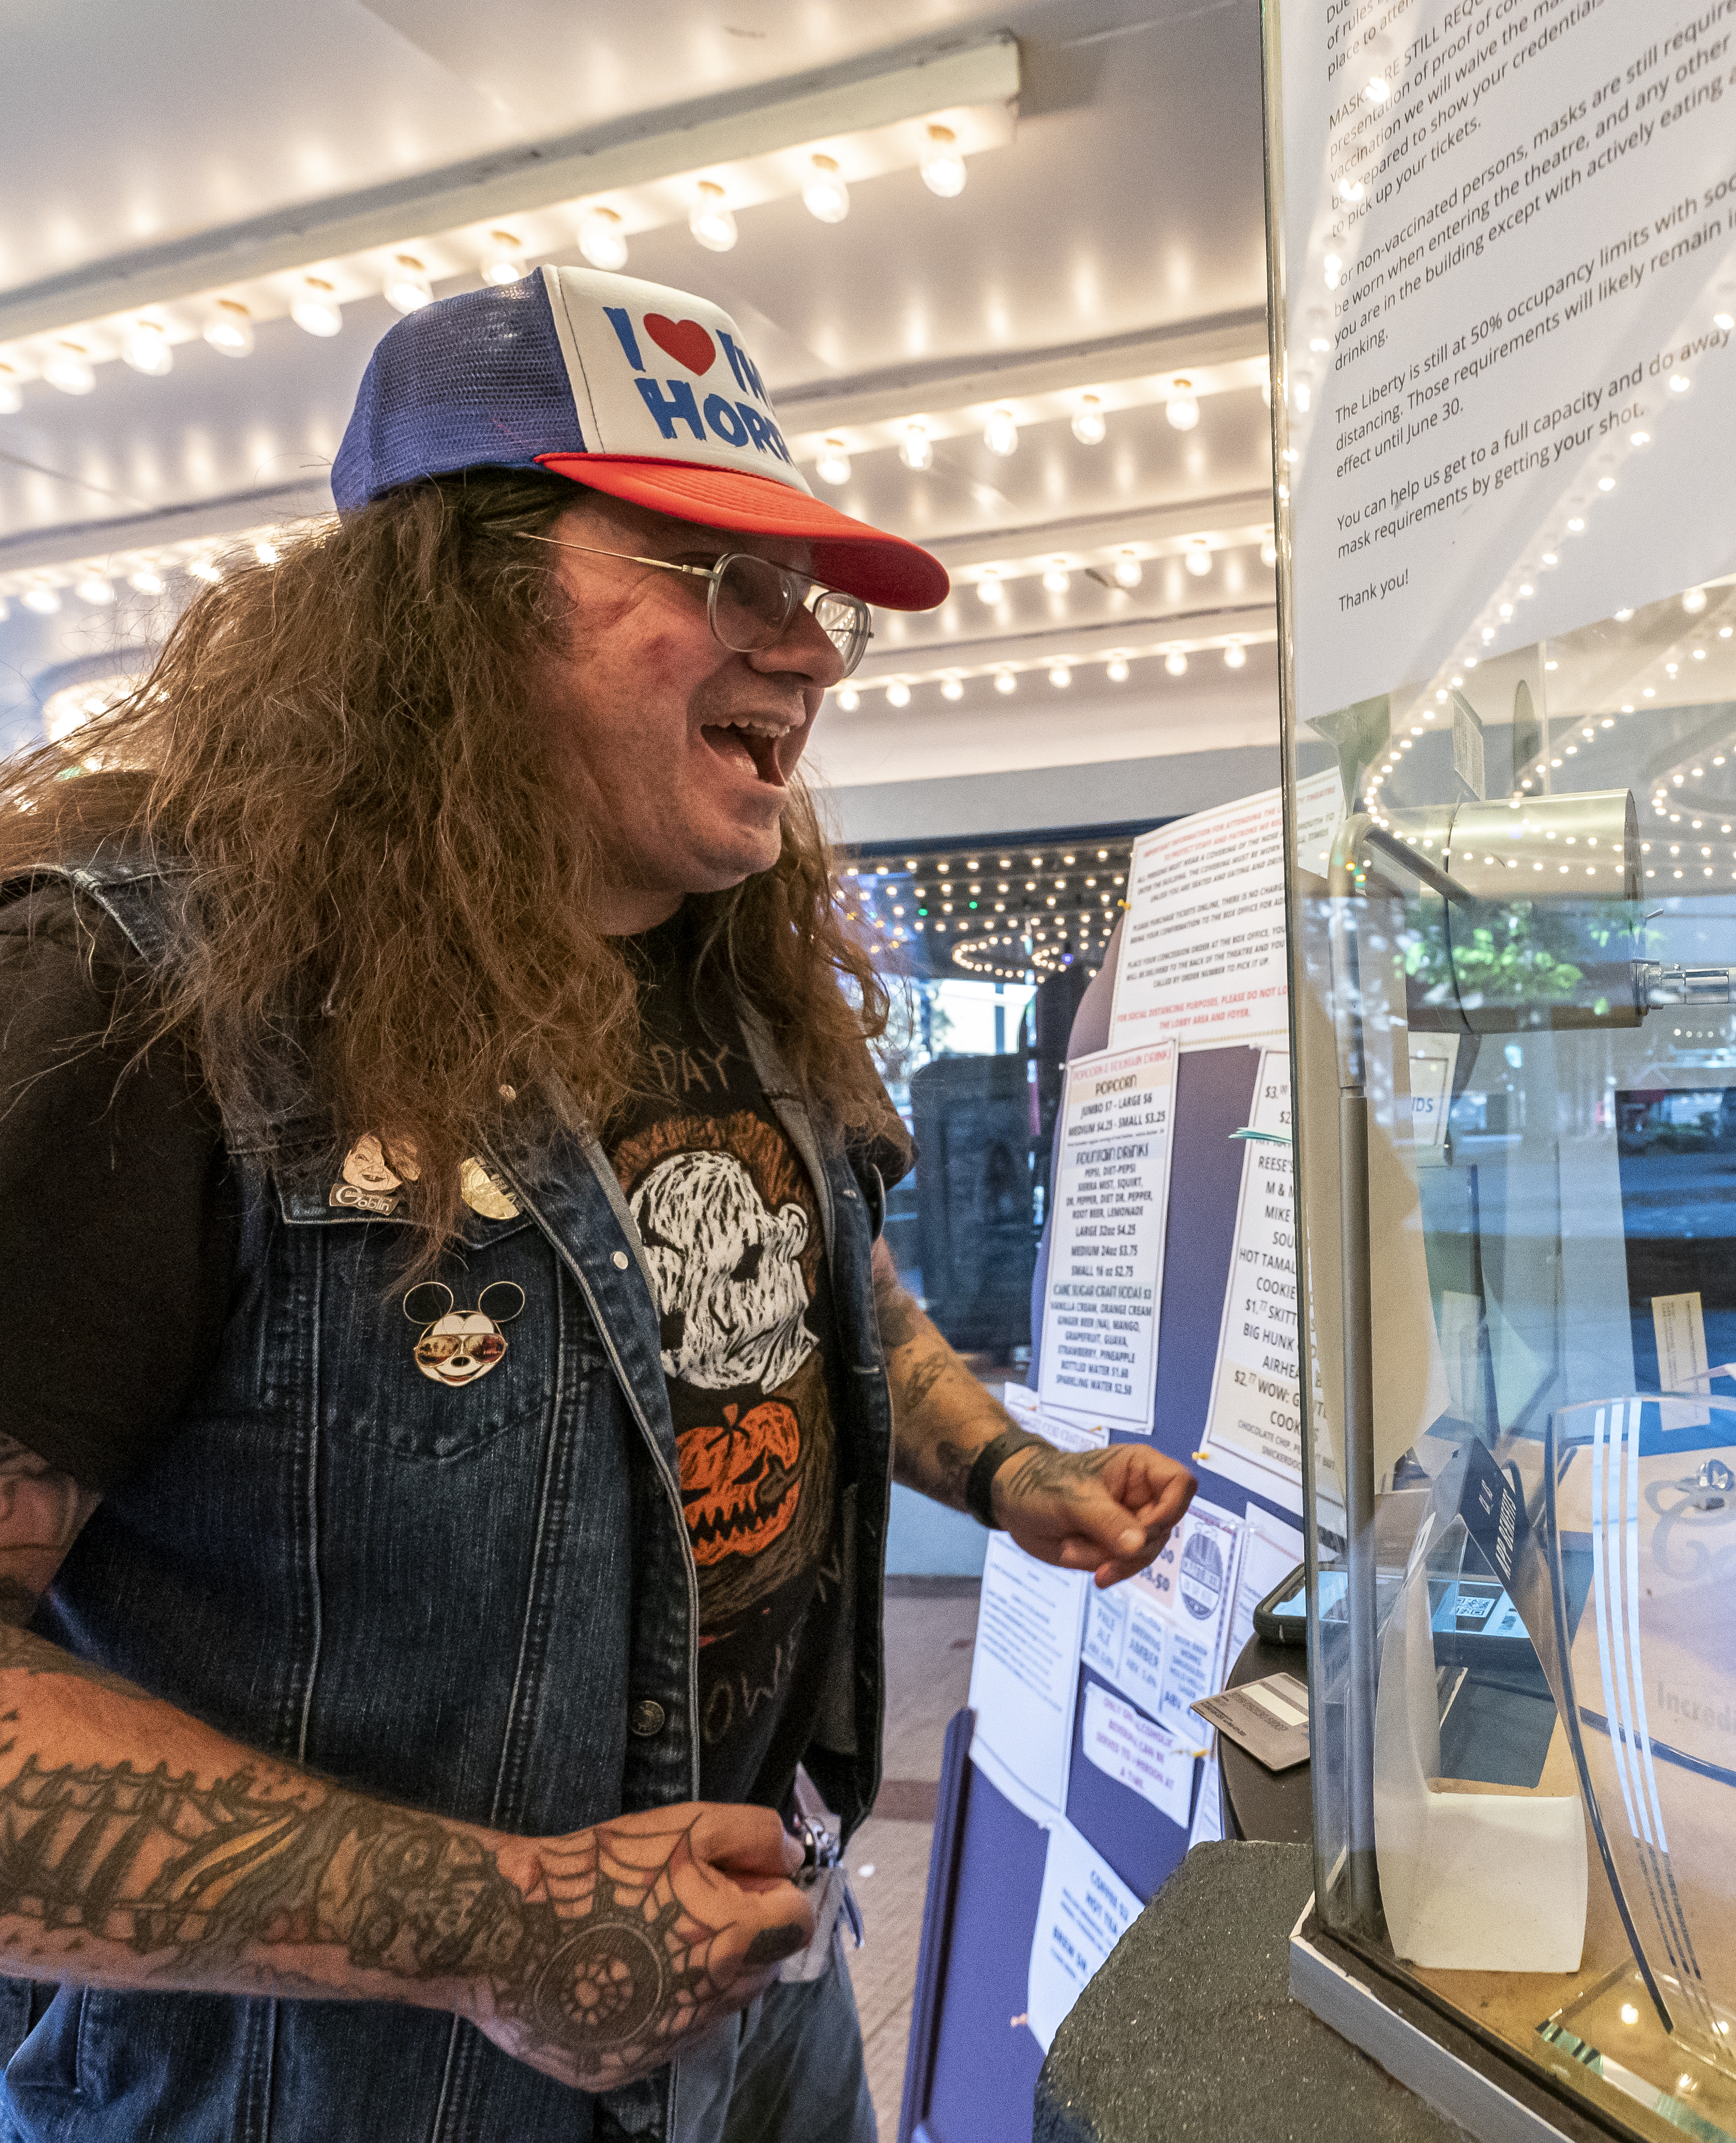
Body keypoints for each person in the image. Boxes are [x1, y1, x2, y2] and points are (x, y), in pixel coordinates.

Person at [0, 267, 1193, 2140]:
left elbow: (812, 1286)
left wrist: (1003, 1470)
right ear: (451, 607)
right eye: (721, 575)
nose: (801, 647)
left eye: (803, 599)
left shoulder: (723, 975)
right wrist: (497, 1924)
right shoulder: (141, 992)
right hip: (344, 2087)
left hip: (760, 1989)